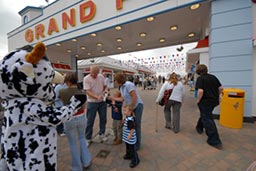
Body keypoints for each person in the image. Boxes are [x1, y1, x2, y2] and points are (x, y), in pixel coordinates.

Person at [59, 72, 91, 171]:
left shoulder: (62, 91)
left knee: (72, 143)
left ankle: (77, 167)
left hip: (69, 118)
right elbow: (84, 106)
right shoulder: (82, 92)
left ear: (67, 81)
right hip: (81, 116)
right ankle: (86, 161)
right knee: (82, 138)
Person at [195, 64, 223, 149]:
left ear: (199, 71)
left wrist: (198, 100)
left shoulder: (200, 79)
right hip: (214, 101)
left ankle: (214, 140)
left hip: (205, 101)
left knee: (208, 119)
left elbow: (200, 91)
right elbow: (221, 88)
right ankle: (199, 127)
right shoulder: (213, 77)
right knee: (206, 114)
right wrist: (217, 95)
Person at [114, 72, 143, 150]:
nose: (115, 82)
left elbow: (134, 96)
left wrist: (131, 108)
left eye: (115, 80)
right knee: (130, 124)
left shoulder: (128, 85)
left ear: (119, 80)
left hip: (137, 106)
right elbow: (123, 99)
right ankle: (131, 141)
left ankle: (137, 145)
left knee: (136, 125)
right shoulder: (121, 87)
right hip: (131, 107)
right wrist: (113, 98)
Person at [83, 65, 108, 143]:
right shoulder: (86, 79)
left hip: (102, 102)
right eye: (92, 73)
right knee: (90, 120)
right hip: (92, 102)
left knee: (103, 119)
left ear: (98, 72)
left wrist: (106, 90)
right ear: (90, 71)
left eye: (96, 73)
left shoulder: (101, 77)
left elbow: (105, 86)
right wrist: (96, 97)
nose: (94, 75)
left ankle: (102, 133)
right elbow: (88, 91)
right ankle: (88, 137)